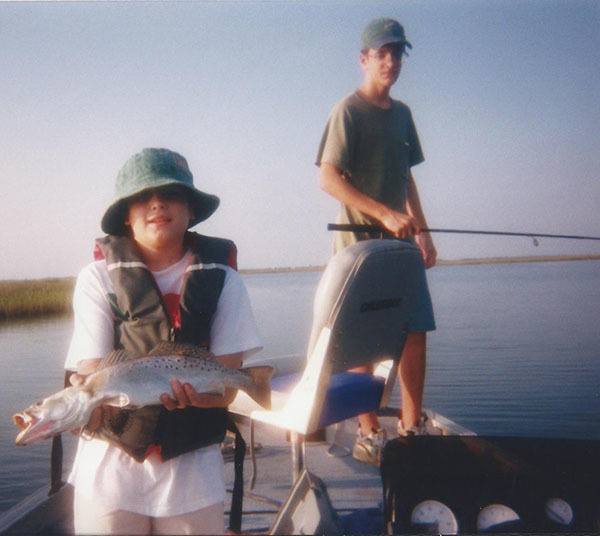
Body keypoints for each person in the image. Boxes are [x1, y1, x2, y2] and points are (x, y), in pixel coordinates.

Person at [64, 147, 262, 534]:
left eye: (170, 194)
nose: (156, 204)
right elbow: (91, 371)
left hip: (192, 468)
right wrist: (83, 395)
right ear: (126, 214)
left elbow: (226, 385)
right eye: (142, 197)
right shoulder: (97, 277)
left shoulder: (224, 279)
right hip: (109, 465)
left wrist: (204, 396)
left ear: (190, 209)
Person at [316, 18, 437, 465]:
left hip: (402, 245)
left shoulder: (403, 115)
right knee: (361, 343)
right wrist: (383, 214)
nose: (391, 62)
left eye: (397, 53)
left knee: (416, 331)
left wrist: (421, 231)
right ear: (363, 59)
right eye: (382, 53)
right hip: (358, 248)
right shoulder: (348, 110)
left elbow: (406, 178)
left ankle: (412, 425)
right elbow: (327, 177)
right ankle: (369, 431)